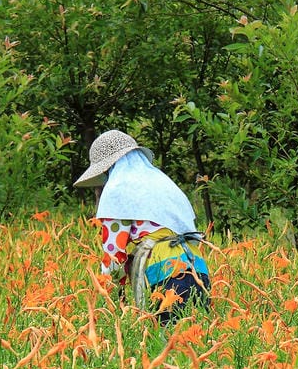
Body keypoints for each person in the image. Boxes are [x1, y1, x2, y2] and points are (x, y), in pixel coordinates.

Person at [74, 129, 211, 323]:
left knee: (169, 345)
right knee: (195, 342)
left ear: (108, 168)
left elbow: (114, 256)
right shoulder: (161, 182)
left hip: (168, 275)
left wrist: (111, 300)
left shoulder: (117, 190)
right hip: (198, 270)